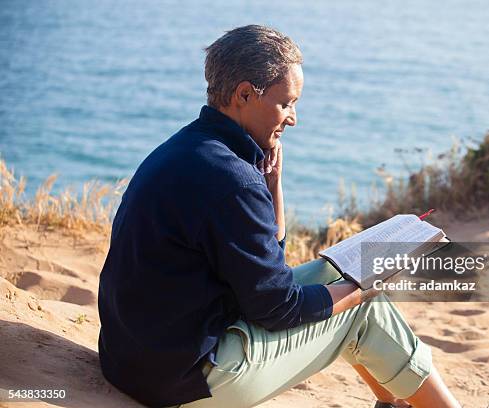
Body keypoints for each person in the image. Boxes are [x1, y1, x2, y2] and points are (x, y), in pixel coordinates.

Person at [97, 24, 462, 408]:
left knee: (335, 279)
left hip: (131, 361)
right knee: (363, 307)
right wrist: (364, 290)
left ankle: (398, 405)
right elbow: (277, 308)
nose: (293, 118)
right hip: (187, 382)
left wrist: (273, 184)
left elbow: (265, 266)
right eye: (286, 103)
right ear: (243, 94)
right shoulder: (233, 181)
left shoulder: (186, 148)